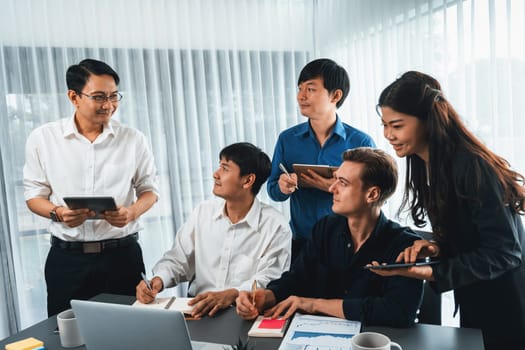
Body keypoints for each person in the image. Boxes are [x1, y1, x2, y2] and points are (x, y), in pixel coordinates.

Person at [373, 71, 525, 349]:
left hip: (507, 304)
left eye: (396, 125)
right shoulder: (426, 163)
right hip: (476, 296)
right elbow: (469, 234)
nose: (388, 135)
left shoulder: (473, 166)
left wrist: (433, 272)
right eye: (384, 125)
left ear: (428, 122)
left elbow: (505, 252)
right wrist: (436, 249)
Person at [23, 59, 159, 316]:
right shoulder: (43, 138)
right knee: (67, 336)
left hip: (123, 257)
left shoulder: (133, 139)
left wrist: (131, 212)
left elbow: (150, 190)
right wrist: (58, 213)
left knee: (130, 334)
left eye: (114, 96)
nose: (109, 105)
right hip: (67, 261)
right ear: (73, 97)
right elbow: (33, 194)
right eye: (99, 97)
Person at [237, 147, 423, 327]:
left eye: (343, 182)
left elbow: (399, 312)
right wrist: (267, 296)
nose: (332, 188)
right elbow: (297, 278)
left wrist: (313, 304)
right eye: (335, 180)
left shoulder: (404, 244)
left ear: (372, 194)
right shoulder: (325, 228)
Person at [136, 142, 292, 318]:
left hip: (241, 314)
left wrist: (232, 294)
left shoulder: (275, 225)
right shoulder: (203, 212)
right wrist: (158, 280)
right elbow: (179, 258)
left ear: (248, 180)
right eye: (219, 166)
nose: (215, 174)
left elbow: (268, 280)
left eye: (225, 168)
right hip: (197, 312)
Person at [267, 58, 375, 259]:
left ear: (335, 95)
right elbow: (273, 190)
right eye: (299, 89)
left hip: (349, 246)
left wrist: (330, 186)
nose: (301, 96)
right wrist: (283, 186)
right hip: (301, 245)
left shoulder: (361, 142)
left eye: (310, 89)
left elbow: (375, 198)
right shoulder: (287, 139)